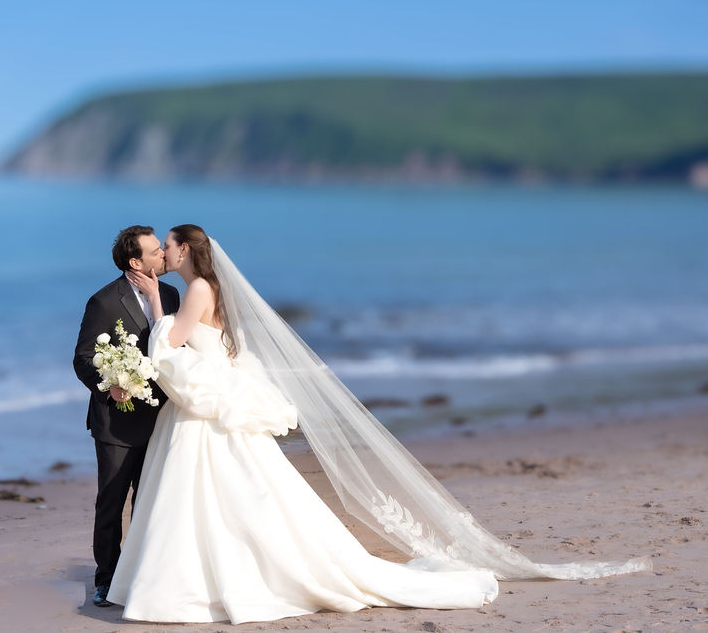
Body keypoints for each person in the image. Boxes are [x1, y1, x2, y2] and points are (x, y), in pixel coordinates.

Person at [105, 224, 650, 625]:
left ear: (186, 250)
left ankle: (198, 580)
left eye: (168, 247)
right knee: (227, 498)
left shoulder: (195, 291)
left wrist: (155, 309)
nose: (163, 254)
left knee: (217, 497)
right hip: (206, 408)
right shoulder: (204, 290)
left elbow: (171, 346)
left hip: (204, 412)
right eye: (158, 250)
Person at [72, 225, 180, 608]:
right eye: (156, 251)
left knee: (151, 501)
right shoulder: (104, 301)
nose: (164, 255)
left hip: (163, 419)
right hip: (116, 422)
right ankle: (106, 580)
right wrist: (110, 384)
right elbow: (83, 358)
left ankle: (143, 575)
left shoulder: (169, 294)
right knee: (112, 503)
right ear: (136, 262)